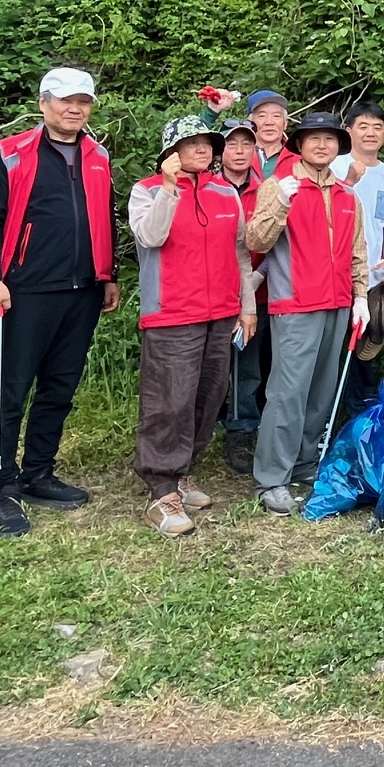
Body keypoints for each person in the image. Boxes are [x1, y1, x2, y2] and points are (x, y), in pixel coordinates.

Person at [0, 67, 121, 538]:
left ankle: (37, 472)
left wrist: (109, 273)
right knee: (9, 391)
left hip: (83, 289)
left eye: (83, 101)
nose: (74, 108)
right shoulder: (11, 154)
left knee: (59, 388)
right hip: (25, 290)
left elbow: (103, 217)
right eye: (64, 100)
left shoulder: (97, 155)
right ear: (43, 102)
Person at [130, 113, 255, 536]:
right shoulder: (146, 190)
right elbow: (151, 237)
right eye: (192, 143)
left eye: (207, 143)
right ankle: (161, 489)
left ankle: (183, 472)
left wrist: (247, 305)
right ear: (170, 151)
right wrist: (169, 189)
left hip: (219, 313)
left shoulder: (224, 191)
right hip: (171, 314)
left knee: (206, 398)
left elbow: (240, 255)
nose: (203, 149)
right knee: (170, 401)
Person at [244, 110, 371, 515]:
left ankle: (304, 463)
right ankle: (271, 477)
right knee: (287, 394)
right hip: (295, 303)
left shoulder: (348, 195)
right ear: (298, 144)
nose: (322, 144)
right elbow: (256, 240)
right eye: (313, 138)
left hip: (337, 304)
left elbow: (358, 252)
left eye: (330, 139)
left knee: (320, 393)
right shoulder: (279, 186)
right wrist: (280, 201)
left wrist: (361, 296)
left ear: (338, 146)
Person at [330, 100, 384, 411]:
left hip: (373, 273)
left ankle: (360, 406)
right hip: (336, 271)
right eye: (363, 126)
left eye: (377, 127)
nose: (370, 133)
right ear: (349, 131)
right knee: (335, 342)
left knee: (366, 338)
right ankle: (328, 408)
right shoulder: (333, 166)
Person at [218, 116, 269, 473]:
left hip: (259, 292)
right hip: (215, 293)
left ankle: (242, 431)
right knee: (215, 367)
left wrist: (256, 280)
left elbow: (276, 244)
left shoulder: (267, 189)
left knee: (249, 366)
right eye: (232, 144)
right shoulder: (208, 186)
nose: (239, 151)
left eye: (246, 145)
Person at [247, 90, 292, 180]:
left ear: (285, 123)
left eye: (276, 116)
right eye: (262, 116)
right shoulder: (237, 153)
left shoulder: (299, 157)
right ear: (249, 123)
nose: (269, 122)